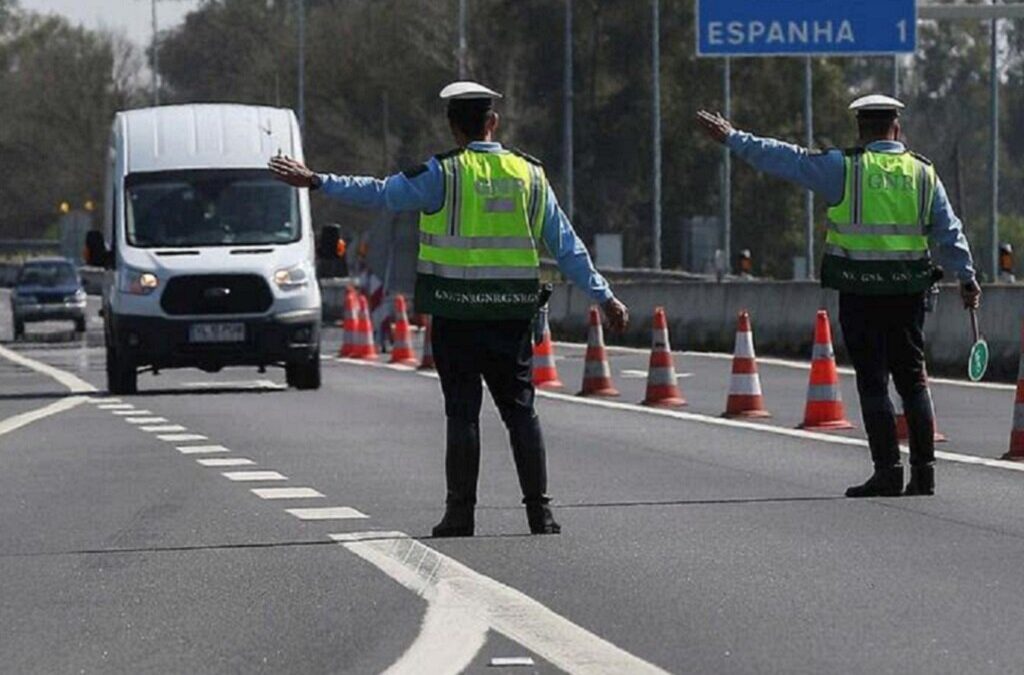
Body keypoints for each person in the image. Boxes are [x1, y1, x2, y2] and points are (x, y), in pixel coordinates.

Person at [269, 81, 629, 535]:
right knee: (521, 412)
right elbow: (567, 246)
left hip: (456, 317)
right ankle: (540, 513)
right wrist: (605, 296)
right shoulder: (530, 174)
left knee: (462, 414)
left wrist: (317, 180)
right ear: (492, 122)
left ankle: (460, 514)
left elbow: (380, 193)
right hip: (511, 317)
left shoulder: (443, 172)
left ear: (453, 127)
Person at [696, 94, 981, 498]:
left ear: (861, 130)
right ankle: (924, 474)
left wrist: (733, 137)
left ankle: (887, 472)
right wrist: (967, 278)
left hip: (860, 291)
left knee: (873, 382)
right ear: (896, 129)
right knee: (913, 381)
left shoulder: (844, 168)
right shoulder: (923, 173)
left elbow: (786, 158)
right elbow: (950, 232)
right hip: (908, 294)